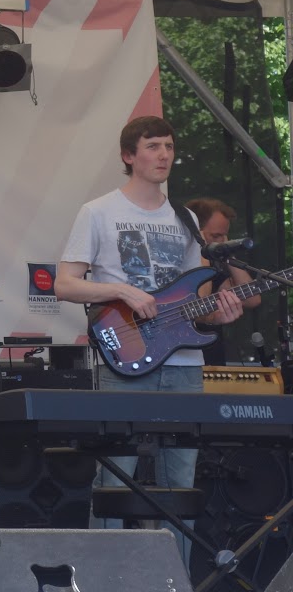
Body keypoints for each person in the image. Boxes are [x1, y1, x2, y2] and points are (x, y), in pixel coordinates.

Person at [55, 116, 242, 562]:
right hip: (126, 355)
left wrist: (221, 311)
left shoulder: (186, 219)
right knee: (115, 479)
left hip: (183, 364)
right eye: (153, 146)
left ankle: (175, 586)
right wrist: (122, 291)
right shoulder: (98, 212)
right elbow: (64, 284)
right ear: (129, 156)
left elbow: (197, 300)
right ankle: (102, 583)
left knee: (180, 483)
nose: (164, 155)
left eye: (169, 146)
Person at [184, 197, 263, 365]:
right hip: (186, 357)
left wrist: (228, 255)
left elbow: (252, 299)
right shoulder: (182, 263)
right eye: (216, 236)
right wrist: (200, 248)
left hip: (213, 357)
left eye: (225, 235)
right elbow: (200, 299)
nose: (222, 241)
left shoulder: (215, 267)